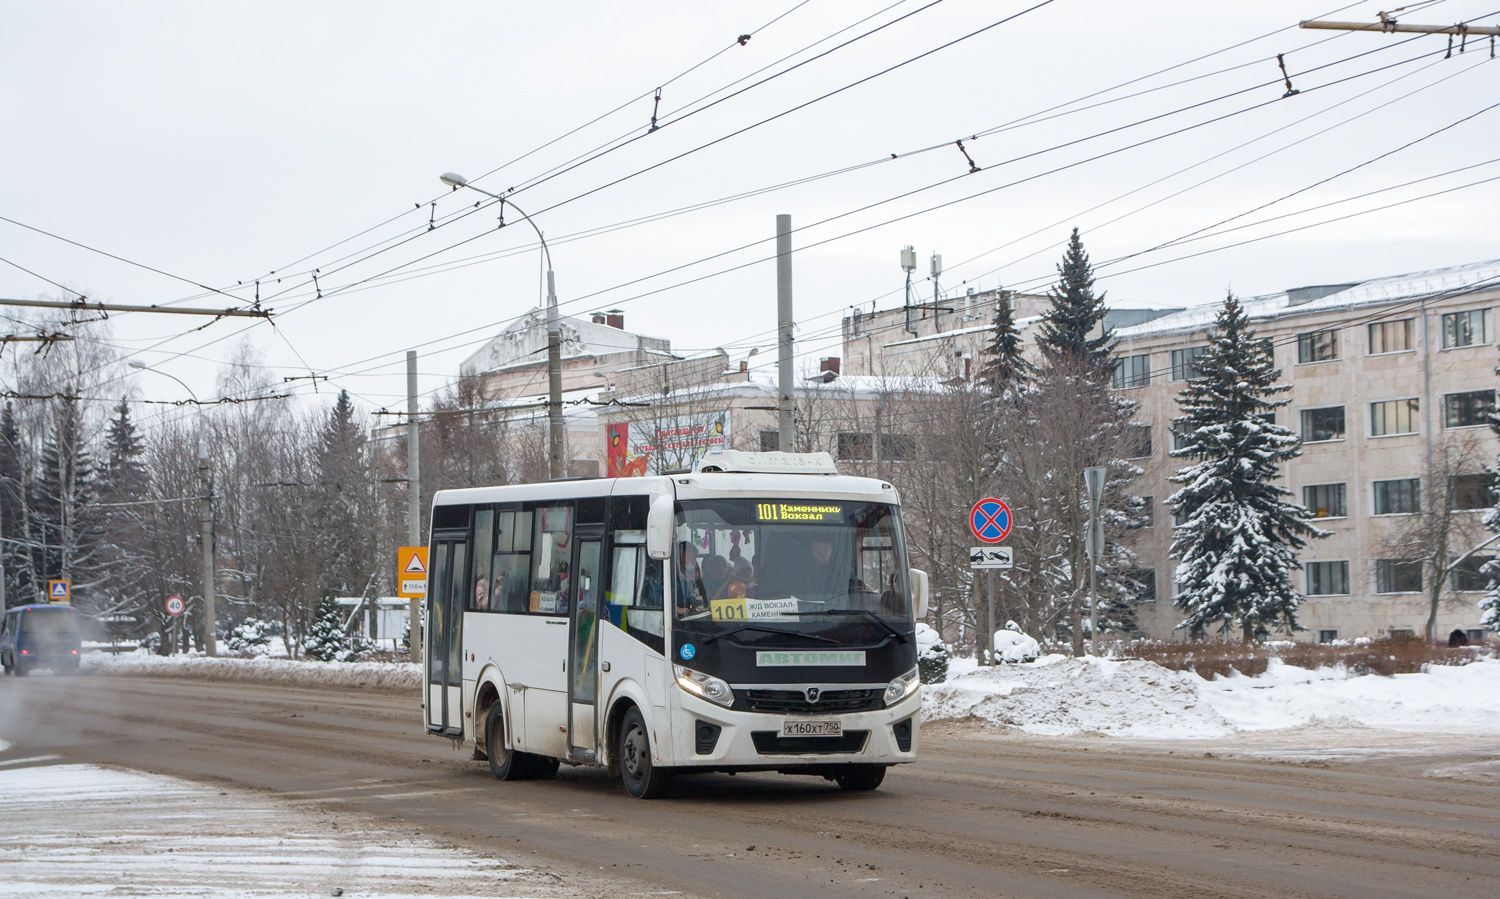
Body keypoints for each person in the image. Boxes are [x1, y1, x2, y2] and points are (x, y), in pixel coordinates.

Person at [674, 542, 707, 617]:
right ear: (681, 556)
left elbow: (690, 595)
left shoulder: (691, 575)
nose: (694, 561)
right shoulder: (671, 573)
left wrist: (693, 603)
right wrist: (677, 609)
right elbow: (660, 598)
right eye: (692, 557)